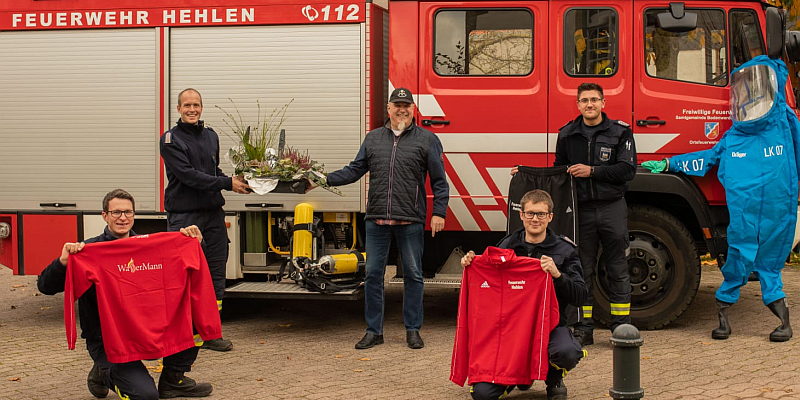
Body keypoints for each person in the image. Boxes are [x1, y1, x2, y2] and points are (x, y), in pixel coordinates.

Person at [643, 56, 795, 342]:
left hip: (778, 208)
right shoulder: (734, 137)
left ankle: (784, 323)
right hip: (743, 212)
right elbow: (706, 158)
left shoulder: (785, 127)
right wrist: (668, 165)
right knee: (738, 257)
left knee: (770, 262)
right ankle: (724, 321)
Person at [37, 189, 214, 399]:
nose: (123, 218)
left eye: (128, 212)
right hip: (109, 341)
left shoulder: (151, 247)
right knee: (146, 396)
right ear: (105, 215)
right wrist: (63, 262)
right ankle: (103, 371)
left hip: (147, 328)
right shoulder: (90, 251)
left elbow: (185, 269)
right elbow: (45, 286)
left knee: (194, 318)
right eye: (116, 212)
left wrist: (195, 242)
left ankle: (173, 379)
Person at [327, 87, 449, 350]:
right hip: (377, 220)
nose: (402, 109)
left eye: (407, 105)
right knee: (372, 275)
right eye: (398, 105)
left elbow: (440, 182)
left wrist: (439, 212)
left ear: (413, 110)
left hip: (411, 219)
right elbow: (353, 171)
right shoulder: (373, 139)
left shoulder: (427, 140)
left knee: (414, 275)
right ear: (389, 108)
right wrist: (321, 179)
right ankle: (374, 331)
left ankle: (413, 330)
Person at [460, 190, 587, 400]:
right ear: (521, 215)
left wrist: (558, 275)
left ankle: (554, 377)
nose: (534, 219)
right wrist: (472, 263)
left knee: (567, 352)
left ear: (550, 217)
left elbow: (581, 295)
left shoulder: (565, 250)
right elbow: (487, 283)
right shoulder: (506, 245)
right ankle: (516, 376)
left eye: (540, 214)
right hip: (511, 332)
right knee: (482, 395)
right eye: (529, 214)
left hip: (551, 326)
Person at [545, 82, 637, 346]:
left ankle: (621, 326)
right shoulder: (567, 134)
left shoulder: (620, 133)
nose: (590, 104)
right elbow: (558, 173)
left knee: (617, 268)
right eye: (584, 100)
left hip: (612, 208)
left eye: (594, 99)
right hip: (580, 211)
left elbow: (627, 170)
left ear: (603, 103)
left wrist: (592, 171)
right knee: (582, 271)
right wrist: (525, 174)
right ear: (578, 104)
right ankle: (585, 328)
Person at [159, 88, 251, 352]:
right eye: (186, 105)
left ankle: (211, 333)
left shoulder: (211, 135)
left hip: (212, 215)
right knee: (187, 276)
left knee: (215, 272)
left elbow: (212, 172)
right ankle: (187, 335)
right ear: (178, 109)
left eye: (196, 105)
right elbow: (189, 176)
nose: (192, 109)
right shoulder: (170, 140)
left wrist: (241, 180)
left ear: (202, 107)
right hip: (185, 216)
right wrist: (226, 183)